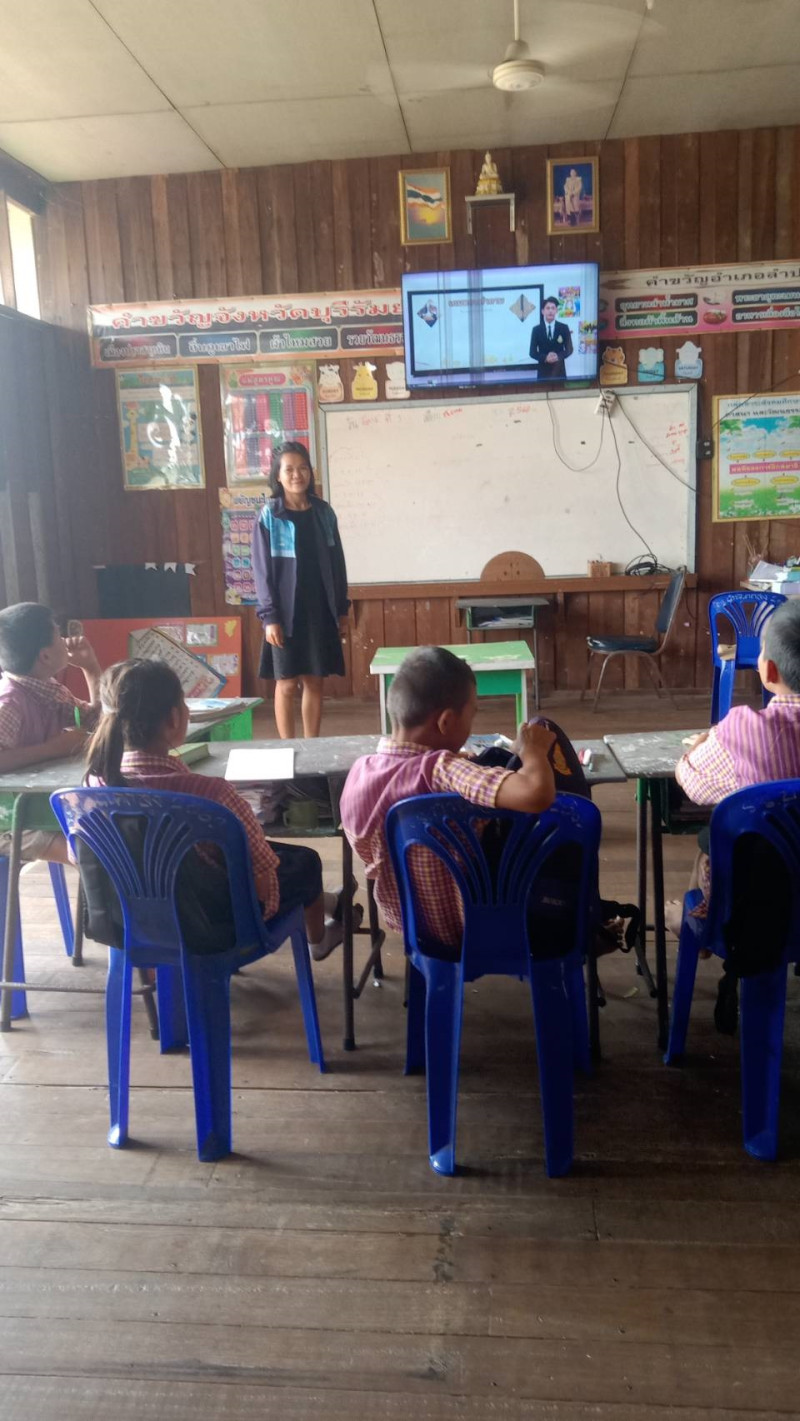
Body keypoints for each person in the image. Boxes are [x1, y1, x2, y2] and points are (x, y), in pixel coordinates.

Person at [84, 659, 346, 960]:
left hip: (127, 922)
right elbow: (262, 874)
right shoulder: (211, 794)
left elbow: (80, 857)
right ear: (174, 718)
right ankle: (319, 941)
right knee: (304, 863)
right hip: (211, 926)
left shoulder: (91, 789)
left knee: (281, 860)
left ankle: (327, 904)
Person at [340, 647, 557, 950]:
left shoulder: (359, 772)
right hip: (475, 924)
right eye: (472, 715)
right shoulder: (440, 769)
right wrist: (533, 751)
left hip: (410, 925)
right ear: (445, 722)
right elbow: (536, 794)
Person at [669, 596, 800, 937]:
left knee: (711, 843)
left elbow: (693, 784)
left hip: (759, 908)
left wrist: (699, 746)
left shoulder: (743, 730)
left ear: (769, 670)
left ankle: (700, 925)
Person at [252, 441, 349, 740]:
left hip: (319, 609)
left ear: (310, 472)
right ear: (278, 476)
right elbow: (262, 572)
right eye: (289, 469)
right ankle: (288, 747)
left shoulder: (324, 513)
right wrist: (270, 617)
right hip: (285, 614)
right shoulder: (269, 516)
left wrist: (341, 609)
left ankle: (311, 746)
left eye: (303, 468)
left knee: (315, 682)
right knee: (286, 683)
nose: (297, 475)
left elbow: (338, 564)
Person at [0, 602, 101, 862]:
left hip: (43, 809)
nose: (66, 640)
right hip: (10, 821)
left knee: (110, 836)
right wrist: (54, 748)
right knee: (93, 855)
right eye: (58, 634)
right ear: (45, 656)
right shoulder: (8, 702)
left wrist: (90, 668)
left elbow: (95, 721)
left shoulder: (48, 690)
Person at [529, 297, 573, 378]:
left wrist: (558, 356)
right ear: (543, 311)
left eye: (553, 308)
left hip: (559, 372)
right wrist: (545, 358)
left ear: (556, 311)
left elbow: (569, 349)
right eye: (548, 308)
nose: (550, 311)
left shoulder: (564, 328)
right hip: (543, 373)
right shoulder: (536, 330)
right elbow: (532, 352)